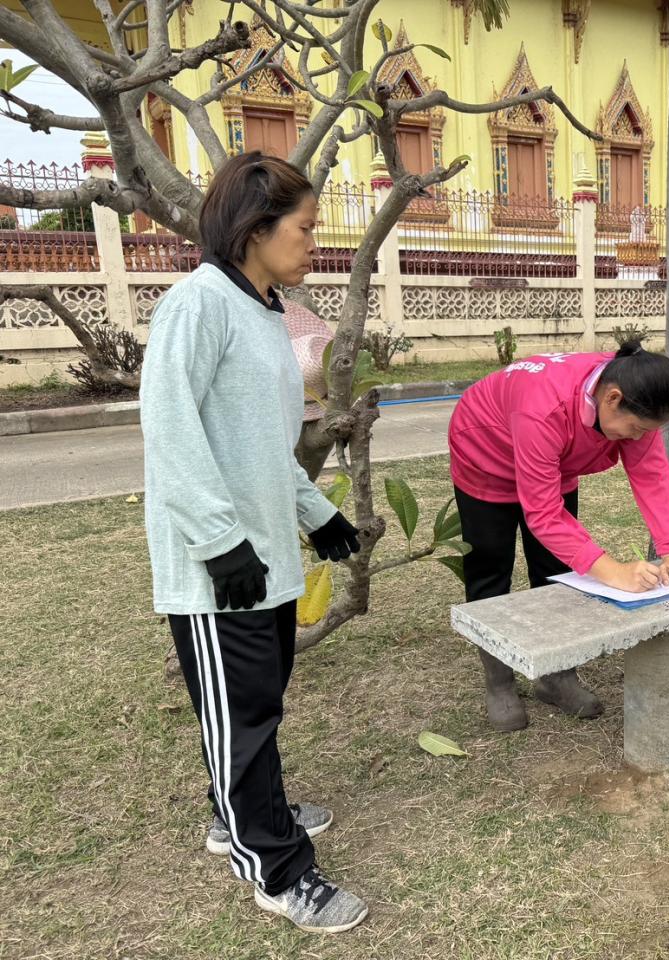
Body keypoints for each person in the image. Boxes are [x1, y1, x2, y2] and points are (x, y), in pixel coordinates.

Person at [140, 151, 368, 934]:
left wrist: (316, 515)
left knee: (256, 708)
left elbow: (263, 450)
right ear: (255, 227)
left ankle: (236, 810)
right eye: (304, 228)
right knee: (241, 717)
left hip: (265, 559)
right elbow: (169, 431)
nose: (315, 242)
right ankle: (276, 866)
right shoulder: (196, 306)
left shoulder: (265, 314)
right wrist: (217, 541)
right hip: (217, 571)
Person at [449, 342, 669, 731]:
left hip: (554, 460)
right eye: (635, 428)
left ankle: (555, 676)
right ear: (612, 398)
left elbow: (651, 476)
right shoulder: (544, 406)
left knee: (555, 567)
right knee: (490, 568)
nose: (638, 437)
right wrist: (612, 571)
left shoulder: (636, 399)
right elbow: (543, 513)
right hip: (487, 457)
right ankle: (499, 680)